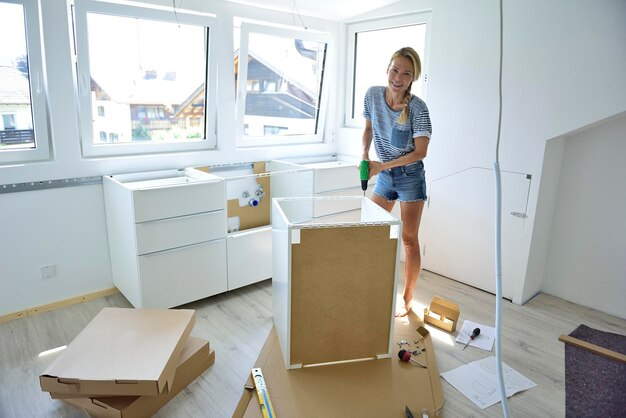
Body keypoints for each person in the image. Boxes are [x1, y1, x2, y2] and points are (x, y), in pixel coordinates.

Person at [361, 46, 432, 317]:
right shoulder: (372, 96)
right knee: (372, 231)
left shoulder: (418, 109)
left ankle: (407, 299)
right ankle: (373, 287)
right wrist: (365, 155)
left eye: (406, 73)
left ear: (412, 78)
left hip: (410, 176)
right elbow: (368, 129)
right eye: (394, 70)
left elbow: (421, 151)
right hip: (384, 175)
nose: (398, 77)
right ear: (387, 69)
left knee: (409, 239)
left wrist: (383, 166)